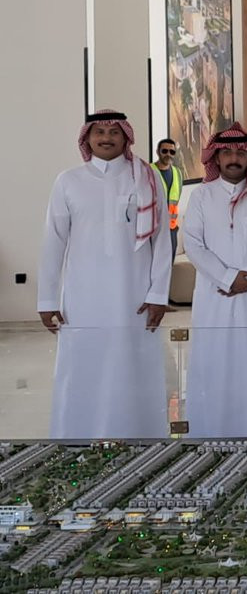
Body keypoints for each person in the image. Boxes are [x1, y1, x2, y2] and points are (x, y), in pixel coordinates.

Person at [38, 110, 172, 438]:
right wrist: (47, 299)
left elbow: (161, 240)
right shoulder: (69, 180)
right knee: (83, 366)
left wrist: (158, 294)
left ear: (126, 137)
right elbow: (53, 241)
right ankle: (77, 438)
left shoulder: (146, 178)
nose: (106, 138)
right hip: (83, 297)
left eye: (114, 132)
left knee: (132, 365)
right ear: (87, 138)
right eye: (99, 131)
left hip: (134, 295)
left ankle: (140, 438)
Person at [182, 123, 247, 437]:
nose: (233, 158)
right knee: (214, 361)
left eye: (241, 153)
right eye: (227, 152)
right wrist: (228, 278)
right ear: (216, 157)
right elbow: (193, 244)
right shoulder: (201, 196)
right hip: (214, 295)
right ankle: (210, 434)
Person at [154, 138, 183, 262]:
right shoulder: (149, 171)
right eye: (164, 151)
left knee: (168, 264)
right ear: (158, 152)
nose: (168, 154)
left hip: (171, 229)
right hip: (154, 229)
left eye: (172, 152)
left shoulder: (178, 173)